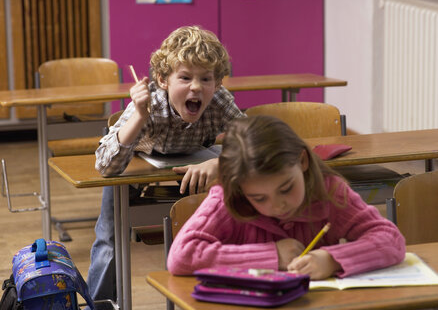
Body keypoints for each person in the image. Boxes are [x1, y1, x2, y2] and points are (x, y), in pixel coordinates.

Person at [87, 26, 245, 308]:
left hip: (194, 161)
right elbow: (106, 167)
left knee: (233, 207)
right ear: (163, 79)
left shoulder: (220, 101)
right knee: (109, 239)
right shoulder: (151, 102)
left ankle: (220, 295)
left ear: (218, 82)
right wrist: (138, 116)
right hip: (139, 163)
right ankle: (101, 303)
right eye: (185, 77)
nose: (196, 87)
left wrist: (219, 162)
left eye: (205, 79)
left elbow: (254, 142)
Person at [167, 115, 406, 280]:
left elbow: (390, 239)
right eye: (259, 198)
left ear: (302, 161)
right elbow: (182, 256)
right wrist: (272, 256)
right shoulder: (227, 200)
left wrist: (332, 260)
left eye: (286, 188)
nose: (277, 205)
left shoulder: (329, 192)